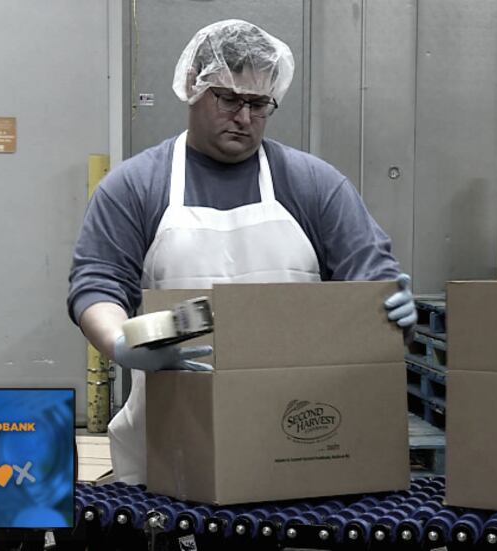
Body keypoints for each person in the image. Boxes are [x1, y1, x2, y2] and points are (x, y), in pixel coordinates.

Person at [67, 19, 417, 485]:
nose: (245, 118)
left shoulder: (315, 185)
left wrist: (390, 312)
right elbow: (96, 284)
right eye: (229, 99)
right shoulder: (135, 187)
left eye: (259, 104)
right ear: (193, 87)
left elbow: (370, 281)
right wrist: (119, 342)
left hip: (300, 439)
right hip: (171, 440)